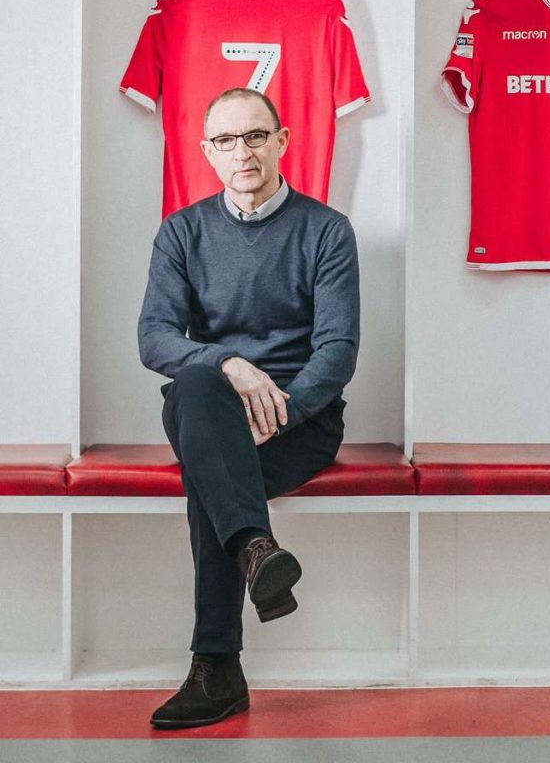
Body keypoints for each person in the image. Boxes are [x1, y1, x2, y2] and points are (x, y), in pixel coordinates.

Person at [137, 87, 361, 729]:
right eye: (227, 140)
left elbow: (337, 352)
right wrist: (229, 364)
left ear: (282, 141)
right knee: (198, 383)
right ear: (207, 151)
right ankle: (256, 547)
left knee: (212, 474)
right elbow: (154, 338)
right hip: (210, 406)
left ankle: (217, 669)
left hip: (300, 421)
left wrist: (276, 413)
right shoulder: (181, 232)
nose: (243, 152)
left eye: (257, 136)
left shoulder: (327, 231)